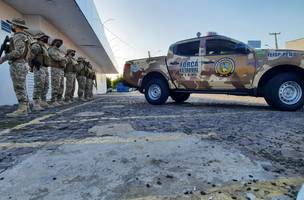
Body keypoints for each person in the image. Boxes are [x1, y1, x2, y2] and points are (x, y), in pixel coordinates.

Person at [0, 18, 31, 117]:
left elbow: (18, 52)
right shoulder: (25, 37)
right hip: (22, 64)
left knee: (19, 87)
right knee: (22, 86)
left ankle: (22, 109)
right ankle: (26, 107)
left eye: (12, 25)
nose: (11, 26)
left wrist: (3, 58)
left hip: (18, 64)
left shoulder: (18, 36)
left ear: (15, 26)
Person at [30, 31, 50, 111]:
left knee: (46, 85)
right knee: (39, 85)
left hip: (45, 68)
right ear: (39, 38)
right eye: (44, 37)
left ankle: (42, 101)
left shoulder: (44, 47)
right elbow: (31, 55)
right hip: (39, 67)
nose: (46, 39)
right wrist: (32, 65)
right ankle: (36, 103)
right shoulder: (36, 45)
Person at [48, 38, 66, 107]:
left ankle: (59, 99)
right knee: (55, 85)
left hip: (60, 69)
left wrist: (63, 59)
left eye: (60, 43)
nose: (60, 44)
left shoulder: (58, 51)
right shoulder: (51, 49)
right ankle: (53, 100)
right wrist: (63, 58)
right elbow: (55, 57)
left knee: (61, 85)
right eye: (58, 42)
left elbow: (62, 59)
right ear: (54, 42)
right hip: (55, 68)